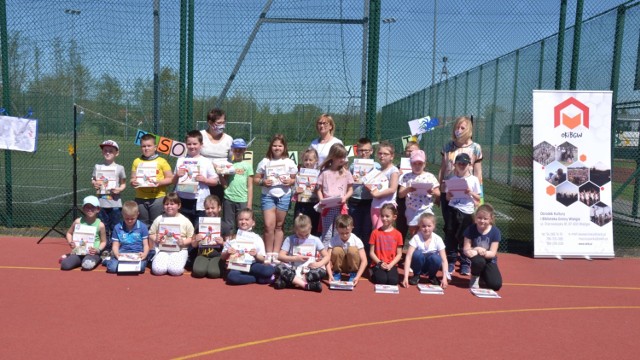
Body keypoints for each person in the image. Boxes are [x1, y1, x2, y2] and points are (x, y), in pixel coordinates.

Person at [438, 116, 483, 276]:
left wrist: (480, 197)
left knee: (466, 229)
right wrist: (440, 188)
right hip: (449, 193)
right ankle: (450, 259)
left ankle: (465, 261)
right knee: (450, 228)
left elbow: (478, 173)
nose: (459, 130)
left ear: (469, 129)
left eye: (463, 128)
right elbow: (443, 169)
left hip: (468, 196)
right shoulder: (448, 146)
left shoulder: (475, 148)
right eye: (457, 127)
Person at [254, 134, 298, 262]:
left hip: (284, 196)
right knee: (268, 226)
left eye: (280, 145)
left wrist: (290, 181)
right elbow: (256, 179)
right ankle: (268, 253)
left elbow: (296, 179)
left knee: (279, 226)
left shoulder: (289, 162)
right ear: (271, 146)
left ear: (284, 147)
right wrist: (263, 182)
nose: (277, 148)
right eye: (274, 145)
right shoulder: (265, 161)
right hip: (268, 196)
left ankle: (276, 253)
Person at [444, 153, 481, 278]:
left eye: (464, 163)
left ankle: (465, 262)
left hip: (467, 212)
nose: (462, 166)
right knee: (451, 236)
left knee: (465, 238)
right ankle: (451, 261)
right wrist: (449, 195)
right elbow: (448, 197)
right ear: (455, 165)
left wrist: (471, 193)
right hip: (453, 210)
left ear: (469, 165)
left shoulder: (474, 179)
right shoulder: (452, 179)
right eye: (459, 163)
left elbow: (478, 198)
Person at [173, 130, 219, 228]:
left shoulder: (206, 161)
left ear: (201, 144)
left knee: (198, 229)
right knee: (183, 229)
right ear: (186, 145)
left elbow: (215, 181)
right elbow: (173, 181)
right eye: (189, 144)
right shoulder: (180, 160)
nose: (192, 146)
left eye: (195, 144)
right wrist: (177, 175)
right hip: (182, 200)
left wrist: (205, 180)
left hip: (199, 202)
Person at [274, 214, 330, 292]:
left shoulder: (316, 239)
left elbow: (327, 256)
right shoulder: (289, 239)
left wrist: (319, 264)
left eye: (306, 235)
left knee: (322, 271)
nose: (303, 237)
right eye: (300, 234)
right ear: (295, 229)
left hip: (308, 270)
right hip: (292, 268)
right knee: (278, 267)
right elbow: (280, 256)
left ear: (310, 228)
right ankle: (306, 285)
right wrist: (294, 258)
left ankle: (290, 281)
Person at [220, 208, 275, 285]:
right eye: (241, 219)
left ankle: (264, 275)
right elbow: (222, 257)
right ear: (237, 222)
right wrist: (227, 252)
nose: (243, 222)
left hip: (252, 264)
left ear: (253, 223)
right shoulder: (232, 237)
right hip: (237, 265)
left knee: (268, 271)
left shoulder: (256, 238)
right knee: (232, 277)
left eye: (247, 219)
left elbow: (262, 259)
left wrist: (255, 255)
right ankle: (256, 279)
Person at [131, 133, 173, 226]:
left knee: (157, 224)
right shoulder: (136, 161)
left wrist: (160, 182)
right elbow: (132, 179)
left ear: (155, 147)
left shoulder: (162, 161)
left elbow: (171, 179)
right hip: (140, 198)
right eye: (143, 146)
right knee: (143, 225)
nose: (146, 148)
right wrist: (133, 182)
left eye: (149, 146)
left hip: (158, 198)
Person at [316, 143, 354, 246]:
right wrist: (321, 200)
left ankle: (337, 255)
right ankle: (325, 257)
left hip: (341, 207)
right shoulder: (324, 173)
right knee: (327, 234)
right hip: (327, 208)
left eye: (344, 157)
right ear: (333, 156)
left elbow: (350, 189)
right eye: (339, 157)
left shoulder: (346, 173)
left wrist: (345, 197)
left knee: (339, 233)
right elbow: (318, 189)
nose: (342, 159)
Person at [348, 137, 380, 258]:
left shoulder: (376, 165)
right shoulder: (352, 166)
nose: (364, 153)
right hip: (354, 202)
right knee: (355, 231)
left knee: (367, 231)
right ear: (357, 151)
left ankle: (366, 258)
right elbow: (348, 184)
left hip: (370, 202)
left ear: (371, 151)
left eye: (367, 150)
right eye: (361, 150)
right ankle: (355, 258)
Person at [148, 193, 194, 276]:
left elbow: (192, 237)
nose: (169, 206)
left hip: (180, 250)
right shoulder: (159, 219)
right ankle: (166, 261)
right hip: (162, 249)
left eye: (172, 204)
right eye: (166, 204)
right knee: (158, 270)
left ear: (179, 206)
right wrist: (155, 238)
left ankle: (180, 262)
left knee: (175, 271)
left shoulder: (185, 220)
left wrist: (183, 242)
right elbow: (151, 233)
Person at [398, 150, 440, 237]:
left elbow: (438, 193)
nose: (417, 166)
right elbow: (400, 194)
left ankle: (427, 250)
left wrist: (432, 191)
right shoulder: (406, 177)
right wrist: (408, 189)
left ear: (424, 164)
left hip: (426, 208)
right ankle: (416, 250)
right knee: (414, 233)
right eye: (414, 163)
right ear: (410, 164)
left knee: (427, 232)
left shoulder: (430, 176)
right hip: (411, 209)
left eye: (420, 163)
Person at [91, 140, 126, 247]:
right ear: (102, 152)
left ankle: (115, 248)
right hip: (101, 203)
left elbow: (123, 184)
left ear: (117, 153)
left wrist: (119, 189)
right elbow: (93, 179)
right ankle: (105, 248)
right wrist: (95, 183)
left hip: (115, 204)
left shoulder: (120, 168)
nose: (107, 153)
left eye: (111, 151)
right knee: (103, 227)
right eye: (105, 150)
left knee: (115, 227)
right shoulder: (97, 167)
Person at [402, 213, 448, 288]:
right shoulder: (416, 238)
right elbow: (408, 257)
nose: (426, 229)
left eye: (429, 226)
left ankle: (432, 276)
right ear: (419, 226)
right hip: (418, 264)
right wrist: (405, 277)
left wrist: (444, 278)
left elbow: (444, 260)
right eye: (423, 226)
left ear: (434, 226)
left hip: (431, 265)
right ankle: (416, 275)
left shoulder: (438, 239)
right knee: (417, 254)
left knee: (436, 258)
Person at [60, 196, 107, 271]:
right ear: (83, 208)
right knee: (65, 265)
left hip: (92, 253)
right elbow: (69, 233)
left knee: (86, 266)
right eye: (87, 207)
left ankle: (97, 258)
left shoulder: (100, 225)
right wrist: (70, 242)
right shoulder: (78, 221)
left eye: (92, 207)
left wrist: (98, 250)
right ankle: (77, 260)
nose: (89, 209)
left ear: (98, 209)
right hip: (78, 251)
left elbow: (104, 241)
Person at [463, 204, 502, 291]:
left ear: (491, 219)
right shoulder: (470, 229)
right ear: (475, 217)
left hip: (489, 259)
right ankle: (475, 276)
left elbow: (492, 253)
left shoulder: (495, 232)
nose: (482, 221)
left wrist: (483, 252)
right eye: (479, 218)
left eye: (485, 219)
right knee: (478, 261)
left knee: (496, 285)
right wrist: (476, 250)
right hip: (475, 258)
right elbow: (466, 249)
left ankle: (483, 274)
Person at [191, 195, 232, 279]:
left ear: (219, 208)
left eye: (213, 208)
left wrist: (222, 243)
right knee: (198, 272)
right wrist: (196, 240)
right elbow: (193, 245)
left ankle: (217, 265)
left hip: (218, 255)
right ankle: (205, 264)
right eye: (207, 208)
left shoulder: (225, 226)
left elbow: (230, 245)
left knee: (213, 273)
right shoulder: (200, 224)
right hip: (202, 255)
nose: (210, 211)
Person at [105, 201, 150, 274]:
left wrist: (144, 254)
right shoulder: (117, 227)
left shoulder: (142, 227)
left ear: (137, 214)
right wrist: (116, 254)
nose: (129, 221)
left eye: (132, 218)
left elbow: (146, 245)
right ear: (122, 215)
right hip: (123, 253)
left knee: (141, 268)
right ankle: (108, 261)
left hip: (137, 253)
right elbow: (115, 245)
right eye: (127, 218)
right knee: (112, 268)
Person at [200, 108, 233, 203]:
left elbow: (231, 162)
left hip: (220, 183)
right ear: (210, 122)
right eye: (219, 123)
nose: (222, 125)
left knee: (215, 211)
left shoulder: (229, 139)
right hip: (202, 182)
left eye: (224, 122)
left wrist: (223, 179)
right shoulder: (200, 136)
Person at [220, 138, 254, 232]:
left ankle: (243, 244)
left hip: (243, 199)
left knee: (244, 225)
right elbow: (225, 184)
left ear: (245, 150)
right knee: (228, 226)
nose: (238, 152)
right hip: (229, 199)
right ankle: (229, 244)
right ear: (232, 150)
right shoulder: (228, 165)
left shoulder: (248, 166)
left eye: (240, 150)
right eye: (236, 150)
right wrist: (219, 174)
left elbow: (250, 186)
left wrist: (249, 203)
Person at [366, 141, 400, 230]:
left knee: (382, 231)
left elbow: (392, 189)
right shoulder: (376, 170)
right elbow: (372, 187)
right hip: (375, 206)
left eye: (385, 154)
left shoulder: (393, 170)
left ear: (392, 156)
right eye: (380, 153)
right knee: (376, 231)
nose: (382, 156)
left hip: (387, 207)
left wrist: (377, 194)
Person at [326, 215, 367, 285]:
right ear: (337, 229)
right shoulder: (333, 240)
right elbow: (326, 259)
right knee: (336, 250)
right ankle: (337, 273)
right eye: (341, 233)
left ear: (352, 228)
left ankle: (353, 273)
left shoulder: (356, 240)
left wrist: (358, 277)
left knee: (353, 250)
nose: (344, 235)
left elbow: (364, 261)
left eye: (347, 233)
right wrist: (330, 275)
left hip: (352, 265)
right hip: (340, 265)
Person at [368, 203, 403, 285]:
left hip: (391, 263)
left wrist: (391, 265)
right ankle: (372, 271)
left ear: (394, 217)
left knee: (393, 281)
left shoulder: (398, 234)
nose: (384, 218)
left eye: (387, 216)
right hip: (378, 263)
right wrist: (380, 263)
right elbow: (371, 252)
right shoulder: (375, 233)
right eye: (382, 216)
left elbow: (399, 254)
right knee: (381, 280)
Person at [293, 148, 321, 237]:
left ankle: (313, 247)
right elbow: (293, 187)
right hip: (301, 204)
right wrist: (295, 190)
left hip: (314, 204)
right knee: (299, 225)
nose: (308, 162)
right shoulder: (299, 173)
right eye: (306, 160)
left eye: (310, 160)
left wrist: (318, 190)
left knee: (313, 226)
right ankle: (298, 246)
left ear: (316, 160)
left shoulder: (319, 174)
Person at [396, 140, 420, 243]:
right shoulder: (398, 166)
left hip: (416, 201)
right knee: (401, 226)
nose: (410, 153)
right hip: (402, 200)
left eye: (413, 151)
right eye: (408, 151)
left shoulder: (420, 166)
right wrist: (397, 175)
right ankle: (399, 251)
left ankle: (417, 251)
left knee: (416, 228)